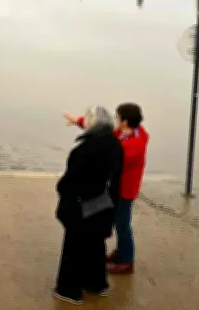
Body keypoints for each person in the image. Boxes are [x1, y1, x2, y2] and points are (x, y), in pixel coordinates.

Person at [63, 103, 150, 275]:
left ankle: (126, 261)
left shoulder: (134, 144)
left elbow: (109, 151)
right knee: (118, 222)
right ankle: (120, 252)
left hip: (125, 190)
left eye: (117, 117)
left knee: (122, 224)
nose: (114, 119)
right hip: (117, 188)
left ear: (124, 121)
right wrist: (80, 121)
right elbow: (105, 132)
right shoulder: (128, 132)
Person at [54, 106, 124, 305]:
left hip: (80, 207)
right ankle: (96, 284)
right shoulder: (115, 146)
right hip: (105, 206)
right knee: (95, 245)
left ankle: (69, 290)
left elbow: (71, 182)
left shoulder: (83, 150)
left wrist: (61, 188)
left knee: (73, 247)